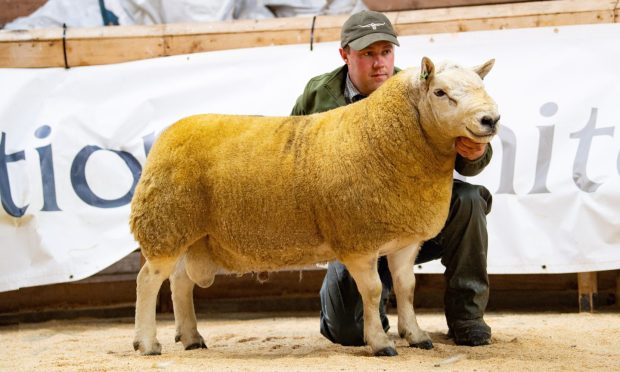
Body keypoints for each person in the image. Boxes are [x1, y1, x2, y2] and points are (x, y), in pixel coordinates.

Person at [291, 10, 494, 347]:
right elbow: (292, 156)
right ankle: (371, 312)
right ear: (345, 54)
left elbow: (470, 157)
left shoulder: (423, 89)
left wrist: (474, 153)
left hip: (414, 217)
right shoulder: (319, 95)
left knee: (469, 200)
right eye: (368, 54)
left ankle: (467, 317)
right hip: (353, 225)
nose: (379, 63)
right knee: (348, 332)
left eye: (385, 52)